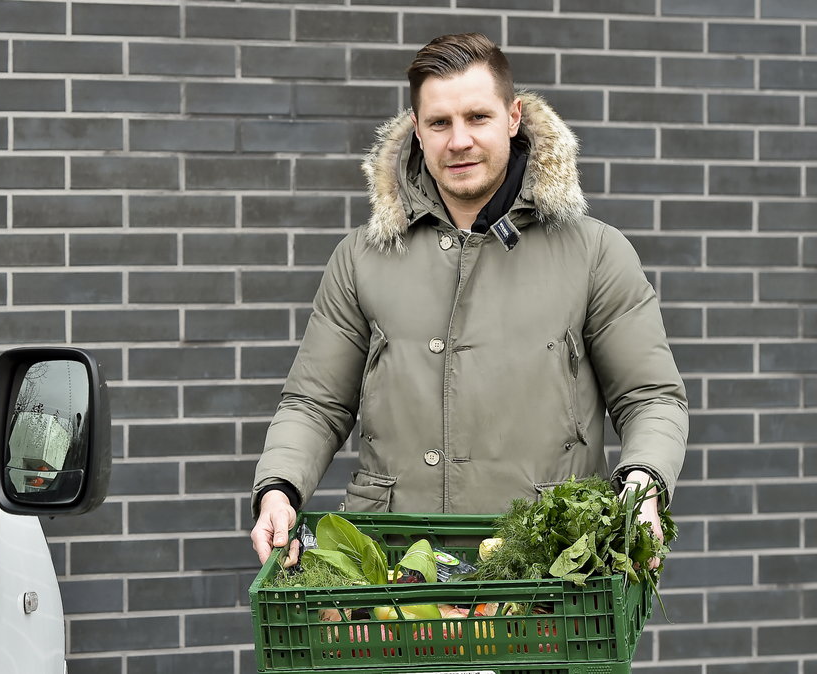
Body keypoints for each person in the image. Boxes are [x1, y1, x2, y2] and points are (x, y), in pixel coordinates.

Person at [250, 33, 687, 568]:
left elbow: (651, 397)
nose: (459, 141)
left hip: (549, 575)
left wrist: (643, 484)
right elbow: (315, 403)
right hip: (396, 574)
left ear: (513, 116)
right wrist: (279, 488)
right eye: (439, 123)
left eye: (477, 117)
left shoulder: (595, 252)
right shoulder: (361, 258)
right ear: (417, 128)